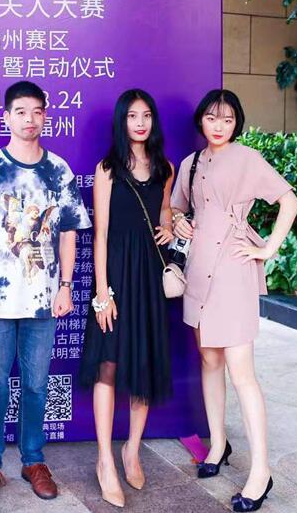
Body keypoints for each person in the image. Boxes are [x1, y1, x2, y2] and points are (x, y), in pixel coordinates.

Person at [0, 81, 91, 504]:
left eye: (36, 111)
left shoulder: (58, 171)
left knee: (36, 384)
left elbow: (68, 234)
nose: (29, 119)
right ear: (7, 117)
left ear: (45, 115)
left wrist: (65, 286)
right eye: (20, 111)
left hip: (43, 299)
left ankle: (33, 459)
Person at [171, 89, 297, 513]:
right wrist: (180, 222)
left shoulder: (247, 159)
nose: (219, 126)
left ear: (236, 123)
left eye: (227, 119)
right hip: (198, 271)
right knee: (209, 360)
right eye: (212, 118)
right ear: (201, 120)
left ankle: (260, 471)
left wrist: (267, 249)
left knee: (242, 372)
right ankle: (218, 444)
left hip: (233, 269)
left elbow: (289, 200)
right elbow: (177, 210)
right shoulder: (190, 164)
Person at [79, 89, 174, 508]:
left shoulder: (165, 168)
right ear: (122, 121)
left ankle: (132, 449)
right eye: (133, 116)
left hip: (149, 277)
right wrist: (102, 292)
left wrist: (170, 225)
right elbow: (100, 234)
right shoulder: (107, 169)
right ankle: (105, 459)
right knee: (109, 364)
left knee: (143, 361)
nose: (140, 123)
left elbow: (165, 211)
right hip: (116, 276)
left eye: (146, 115)